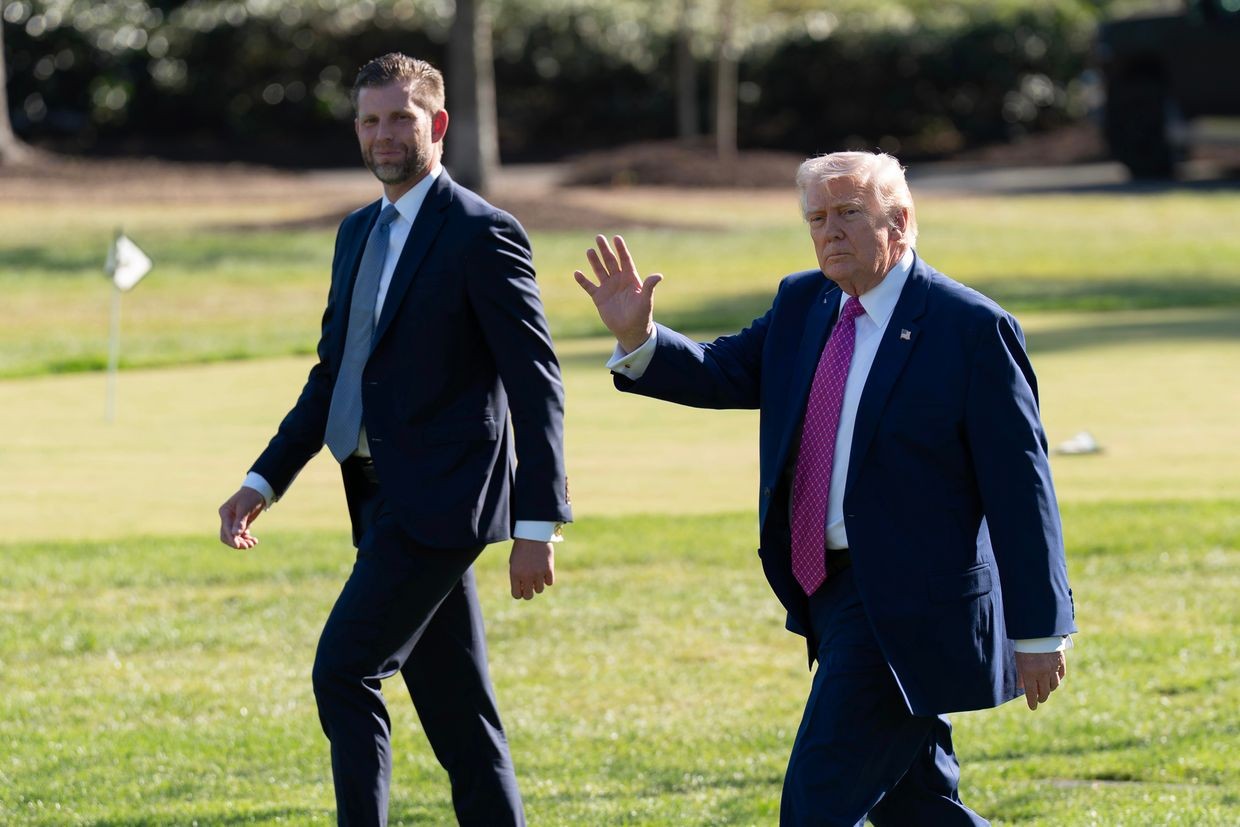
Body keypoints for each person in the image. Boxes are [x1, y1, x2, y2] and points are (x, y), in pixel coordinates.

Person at [573, 151, 1075, 826]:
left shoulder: (971, 330)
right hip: (831, 592)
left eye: (848, 214)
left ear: (900, 222)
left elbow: (1022, 489)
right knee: (918, 810)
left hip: (914, 603)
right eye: (816, 217)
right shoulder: (802, 302)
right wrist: (639, 336)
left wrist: (1041, 627)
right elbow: (722, 373)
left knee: (816, 804)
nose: (829, 232)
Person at [216, 53, 571, 826]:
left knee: (344, 671)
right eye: (370, 119)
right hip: (376, 498)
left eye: (400, 118)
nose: (384, 134)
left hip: (441, 506)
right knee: (461, 719)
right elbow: (335, 375)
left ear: (437, 125)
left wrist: (537, 523)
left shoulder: (484, 233)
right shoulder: (355, 233)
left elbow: (537, 381)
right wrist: (263, 478)